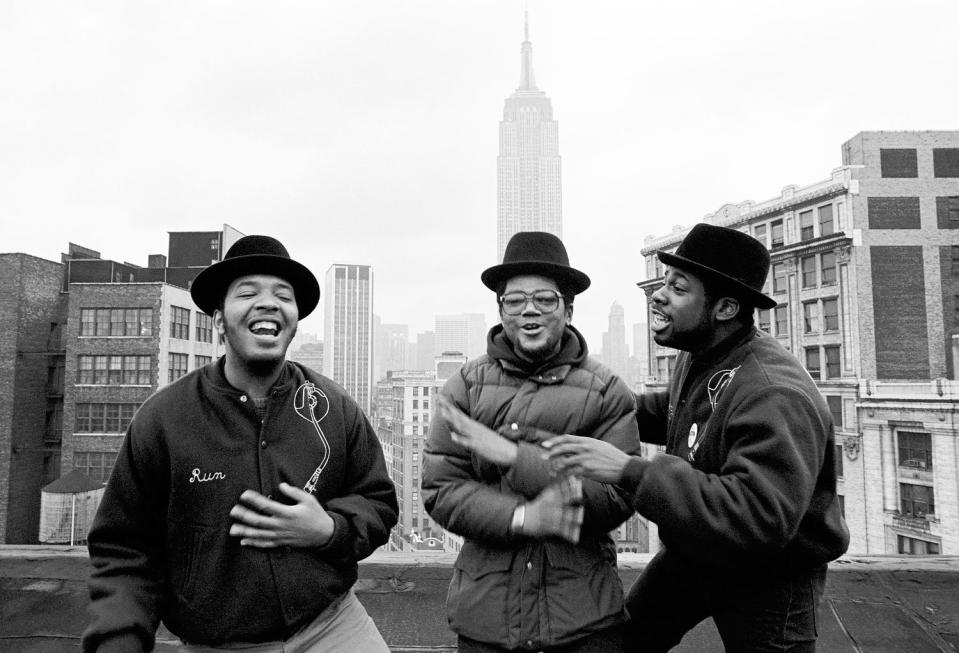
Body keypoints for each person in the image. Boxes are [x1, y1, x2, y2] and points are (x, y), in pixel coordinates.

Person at [82, 235, 398, 652]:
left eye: (282, 295)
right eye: (248, 293)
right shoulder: (164, 419)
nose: (268, 303)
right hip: (219, 645)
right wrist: (119, 643)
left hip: (335, 626)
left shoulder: (334, 406)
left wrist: (329, 530)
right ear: (218, 320)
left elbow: (377, 501)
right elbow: (124, 550)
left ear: (294, 320)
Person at [545, 223, 850, 652]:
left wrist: (629, 471)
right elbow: (672, 413)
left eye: (678, 288)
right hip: (697, 553)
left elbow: (759, 515)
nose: (659, 295)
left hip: (768, 578)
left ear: (725, 308)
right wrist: (592, 405)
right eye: (663, 283)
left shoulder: (773, 391)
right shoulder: (704, 354)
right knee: (619, 642)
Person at [421, 231, 641, 653]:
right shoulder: (465, 386)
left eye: (545, 299)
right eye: (515, 300)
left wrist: (515, 458)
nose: (529, 311)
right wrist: (522, 518)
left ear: (568, 309)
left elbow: (617, 493)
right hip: (487, 622)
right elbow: (441, 490)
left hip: (585, 621)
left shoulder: (607, 390)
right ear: (500, 309)